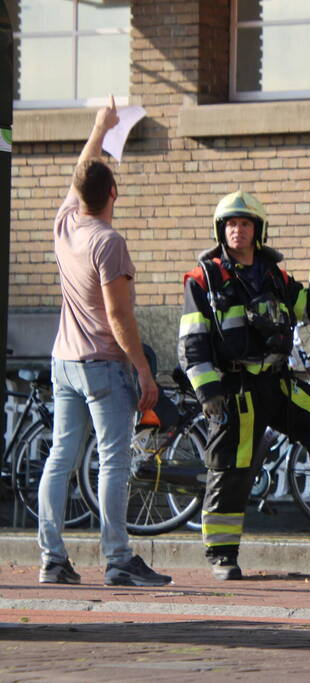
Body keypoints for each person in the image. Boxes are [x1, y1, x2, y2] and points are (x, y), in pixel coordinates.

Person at [178, 190, 310, 580]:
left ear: (257, 231)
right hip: (234, 389)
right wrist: (209, 391)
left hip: (276, 383)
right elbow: (192, 343)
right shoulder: (203, 279)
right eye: (230, 224)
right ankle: (222, 554)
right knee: (232, 466)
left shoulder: (273, 275)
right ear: (220, 230)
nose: (236, 230)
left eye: (244, 223)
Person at [38, 97, 172, 587]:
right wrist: (142, 369)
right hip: (103, 364)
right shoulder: (108, 242)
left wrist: (99, 127)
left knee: (61, 455)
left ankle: (53, 559)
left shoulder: (66, 223)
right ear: (114, 191)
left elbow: (82, 173)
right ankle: (118, 559)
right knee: (113, 459)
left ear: (78, 193)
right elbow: (118, 315)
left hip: (64, 360)